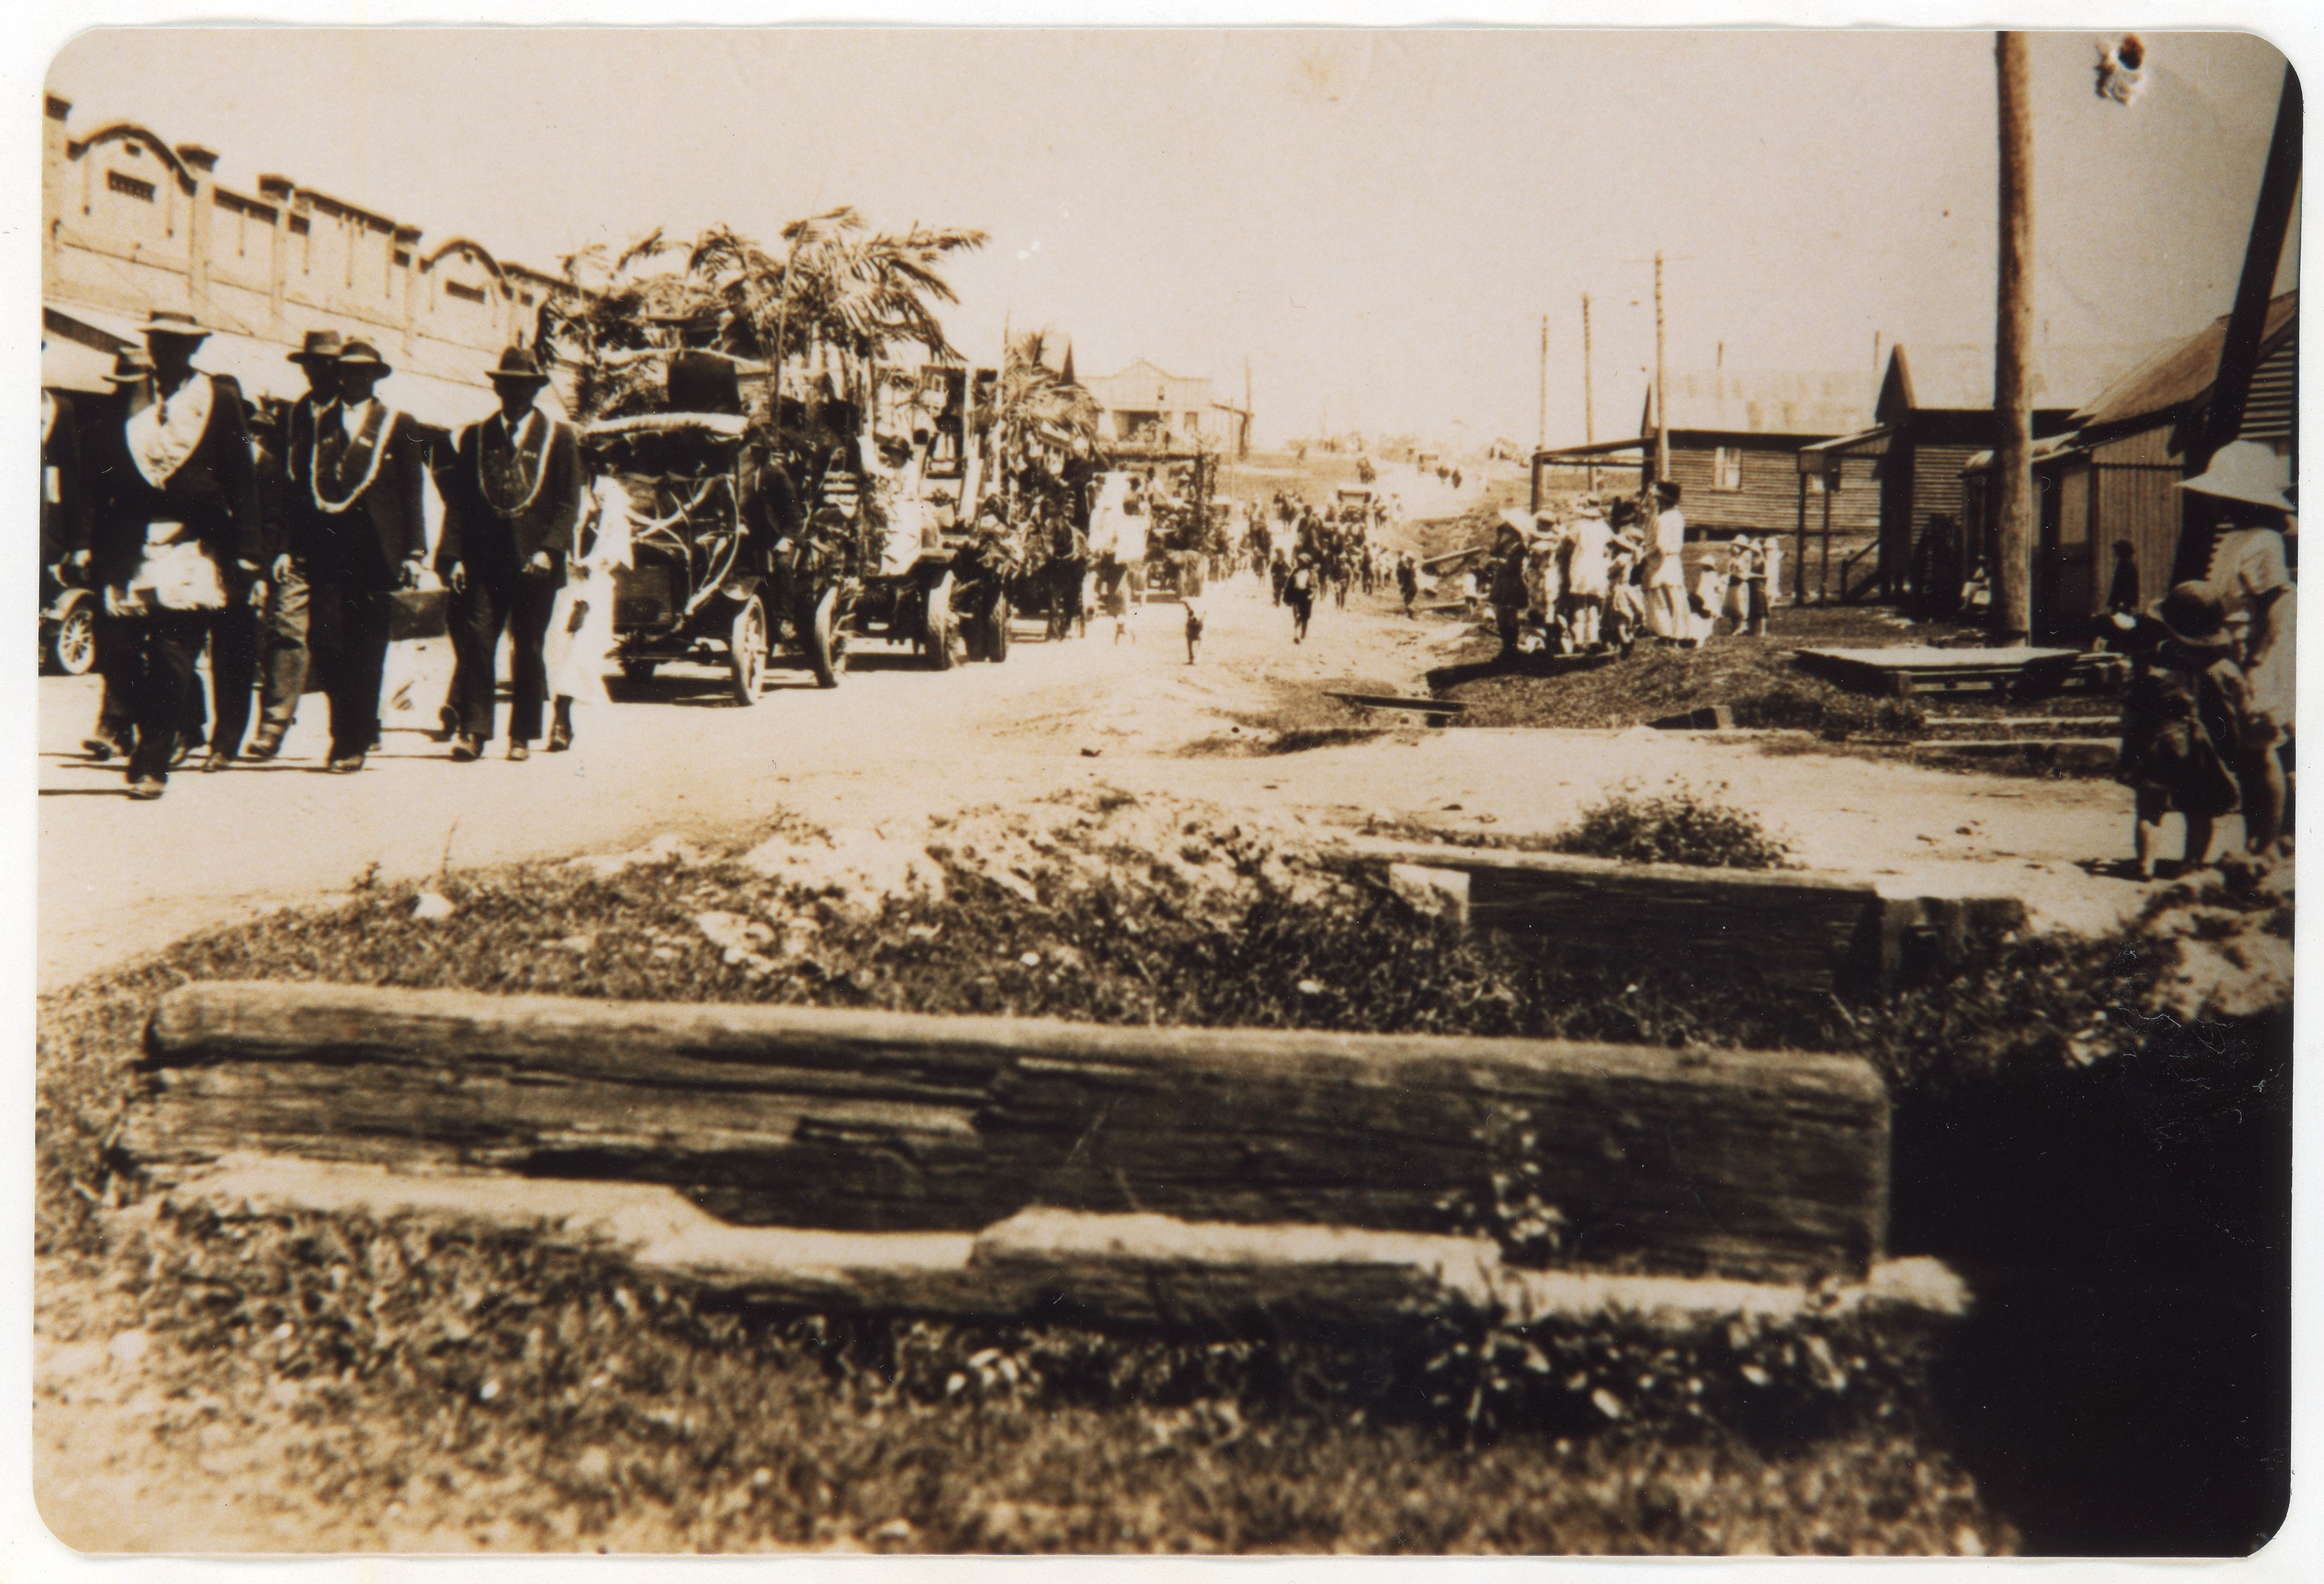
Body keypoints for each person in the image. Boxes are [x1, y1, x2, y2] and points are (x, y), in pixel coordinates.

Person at [70, 313, 259, 799]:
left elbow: (243, 479)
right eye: (159, 342)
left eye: (177, 344)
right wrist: (82, 540)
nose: (166, 352)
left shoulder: (220, 399)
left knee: (173, 658)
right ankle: (146, 728)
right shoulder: (128, 398)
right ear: (149, 346)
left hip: (191, 546)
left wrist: (249, 551)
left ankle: (152, 764)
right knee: (115, 652)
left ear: (193, 348)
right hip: (127, 546)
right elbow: (95, 475)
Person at [435, 345, 583, 762]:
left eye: (523, 388)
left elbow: (568, 503)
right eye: (507, 387)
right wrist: (454, 555)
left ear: (534, 391)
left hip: (535, 563)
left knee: (529, 647)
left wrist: (550, 550)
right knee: (478, 642)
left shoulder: (560, 436)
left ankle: (522, 734)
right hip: (485, 561)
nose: (514, 396)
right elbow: (460, 502)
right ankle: (474, 731)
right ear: (497, 389)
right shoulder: (477, 436)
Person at [299, 338, 429, 773]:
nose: (355, 377)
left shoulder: (399, 423)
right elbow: (301, 489)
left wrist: (415, 551)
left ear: (375, 377)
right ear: (338, 374)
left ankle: (350, 740)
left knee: (367, 649)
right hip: (329, 548)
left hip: (378, 552)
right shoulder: (320, 423)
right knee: (324, 641)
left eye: (363, 371)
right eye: (348, 370)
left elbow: (414, 491)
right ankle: (350, 728)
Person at [2180, 441, 2296, 855]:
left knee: (2260, 745)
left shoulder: (2265, 540)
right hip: (2232, 648)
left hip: (2257, 650)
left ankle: (2268, 841)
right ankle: (2258, 830)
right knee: (2245, 752)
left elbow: (2271, 603)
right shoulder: (2233, 539)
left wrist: (2255, 659)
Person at [245, 330, 343, 760]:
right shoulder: (296, 414)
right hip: (300, 544)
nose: (315, 371)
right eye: (309, 364)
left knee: (340, 639)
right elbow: (286, 487)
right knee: (285, 628)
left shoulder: (358, 415)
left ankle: (358, 726)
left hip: (344, 547)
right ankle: (272, 725)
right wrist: (281, 546)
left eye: (324, 364)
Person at [2115, 582, 2255, 878]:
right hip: (2199, 746)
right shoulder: (2223, 668)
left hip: (2156, 742)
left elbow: (2132, 705)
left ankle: (2145, 864)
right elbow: (2239, 710)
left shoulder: (2153, 664)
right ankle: (2192, 862)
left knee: (2149, 809)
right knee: (2199, 810)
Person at [1642, 480, 1691, 644]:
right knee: (1676, 598)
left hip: (1661, 562)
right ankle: (1680, 634)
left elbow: (1660, 546)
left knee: (1659, 600)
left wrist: (1645, 556)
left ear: (1662, 500)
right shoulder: (1678, 516)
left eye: (1655, 498)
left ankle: (1665, 634)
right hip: (1674, 561)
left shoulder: (1662, 520)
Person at [1287, 552, 1317, 643]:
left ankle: (1303, 634)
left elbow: (1315, 586)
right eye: (1298, 561)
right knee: (1297, 615)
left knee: (1305, 617)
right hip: (1297, 594)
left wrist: (1313, 595)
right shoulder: (1296, 571)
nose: (1298, 563)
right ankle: (1296, 635)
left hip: (1306, 595)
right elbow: (1289, 584)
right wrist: (1288, 597)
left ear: (1306, 563)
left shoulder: (1311, 573)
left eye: (1301, 562)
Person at [1397, 552, 1419, 617]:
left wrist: (1406, 589)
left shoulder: (1411, 569)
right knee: (1408, 601)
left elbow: (1410, 580)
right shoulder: (1410, 568)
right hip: (1412, 587)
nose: (1406, 561)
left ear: (1410, 561)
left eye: (1408, 560)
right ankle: (1409, 615)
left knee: (1407, 601)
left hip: (1411, 587)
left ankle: (1411, 615)